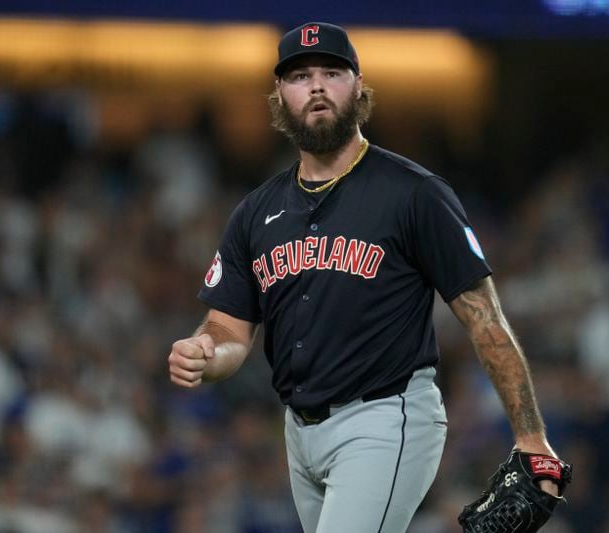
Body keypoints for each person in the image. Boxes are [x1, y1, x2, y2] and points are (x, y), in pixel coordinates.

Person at [168, 21, 562, 533]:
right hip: (298, 431)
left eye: (332, 72)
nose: (315, 86)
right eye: (299, 75)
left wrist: (531, 438)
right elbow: (229, 330)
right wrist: (204, 351)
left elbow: (485, 319)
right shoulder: (255, 212)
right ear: (279, 97)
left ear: (358, 88)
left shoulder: (415, 194)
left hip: (384, 418)